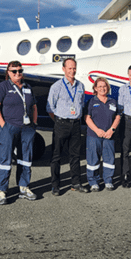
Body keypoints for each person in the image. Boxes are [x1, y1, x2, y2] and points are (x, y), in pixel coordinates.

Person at [0, 61, 38, 205]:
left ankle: (23, 187)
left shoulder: (28, 87)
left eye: (20, 70)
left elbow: (34, 107)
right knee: (5, 160)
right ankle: (1, 191)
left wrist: (34, 124)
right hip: (10, 127)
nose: (17, 73)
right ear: (8, 73)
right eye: (14, 71)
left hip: (27, 129)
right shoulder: (3, 87)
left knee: (25, 159)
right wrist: (4, 126)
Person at [46, 58, 89, 195]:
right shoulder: (56, 86)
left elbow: (81, 104)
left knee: (75, 156)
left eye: (74, 68)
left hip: (75, 124)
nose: (72, 71)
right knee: (57, 156)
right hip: (61, 123)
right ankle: (55, 185)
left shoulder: (80, 86)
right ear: (63, 69)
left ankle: (76, 183)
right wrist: (59, 121)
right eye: (69, 68)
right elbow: (50, 107)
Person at [85, 77, 121, 191]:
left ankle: (108, 181)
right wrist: (97, 130)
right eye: (99, 86)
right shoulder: (91, 102)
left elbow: (118, 116)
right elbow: (87, 117)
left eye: (104, 86)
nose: (102, 88)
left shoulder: (113, 101)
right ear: (95, 88)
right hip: (94, 136)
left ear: (108, 88)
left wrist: (112, 130)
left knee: (109, 159)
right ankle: (93, 182)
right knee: (93, 160)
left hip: (108, 136)